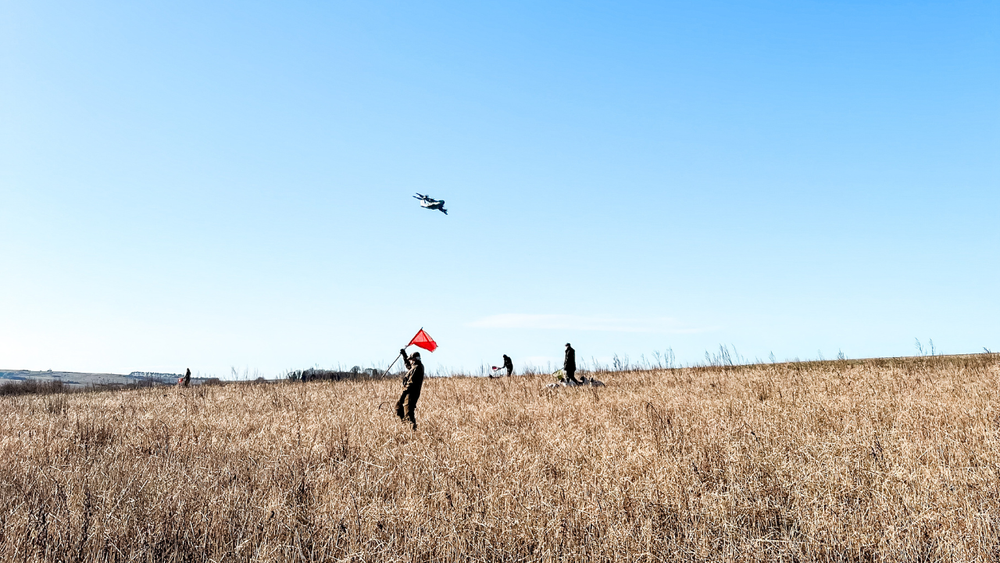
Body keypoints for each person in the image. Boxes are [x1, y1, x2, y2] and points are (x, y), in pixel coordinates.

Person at [395, 349, 424, 430]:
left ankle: (412, 430)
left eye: (411, 359)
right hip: (409, 394)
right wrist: (404, 355)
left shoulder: (417, 368)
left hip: (410, 394)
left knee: (408, 413)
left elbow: (410, 384)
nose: (410, 361)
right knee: (399, 409)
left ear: (414, 360)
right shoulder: (416, 367)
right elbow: (408, 366)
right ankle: (406, 428)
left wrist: (402, 396)